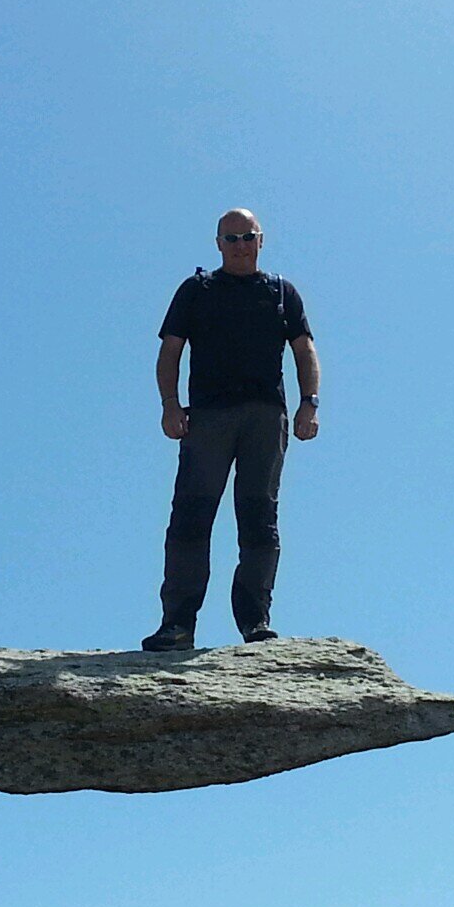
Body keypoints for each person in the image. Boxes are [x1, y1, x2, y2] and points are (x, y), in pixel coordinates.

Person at [141, 208, 320, 651]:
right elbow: (170, 351)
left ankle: (255, 623)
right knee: (190, 519)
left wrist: (309, 403)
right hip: (208, 419)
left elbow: (304, 348)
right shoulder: (196, 290)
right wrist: (169, 406)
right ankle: (177, 625)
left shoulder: (281, 292)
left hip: (264, 417)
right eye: (231, 237)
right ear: (218, 244)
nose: (240, 244)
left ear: (262, 240)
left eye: (248, 236)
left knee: (259, 521)